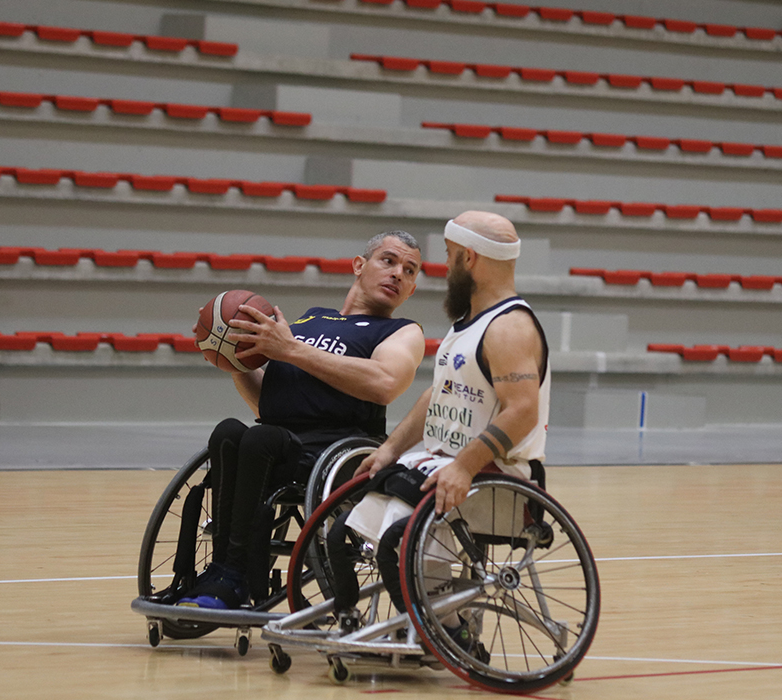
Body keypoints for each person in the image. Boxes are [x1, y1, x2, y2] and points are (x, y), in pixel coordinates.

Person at [175, 230, 425, 610]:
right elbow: (268, 404)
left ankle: (235, 575)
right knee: (229, 432)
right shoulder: (310, 319)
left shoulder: (401, 332)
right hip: (279, 441)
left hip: (339, 451)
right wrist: (232, 355)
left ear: (411, 289)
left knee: (263, 439)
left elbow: (385, 384)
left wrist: (290, 349)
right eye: (388, 261)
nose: (397, 274)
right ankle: (216, 572)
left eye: (409, 270)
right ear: (359, 266)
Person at [327, 210, 550, 635]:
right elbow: (436, 397)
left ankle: (448, 635)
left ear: (469, 258)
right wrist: (389, 450)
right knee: (341, 534)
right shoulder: (467, 326)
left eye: (449, 257)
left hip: (495, 477)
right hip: (440, 467)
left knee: (396, 542)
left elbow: (522, 411)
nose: (445, 269)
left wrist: (464, 465)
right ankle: (354, 623)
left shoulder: (510, 327)